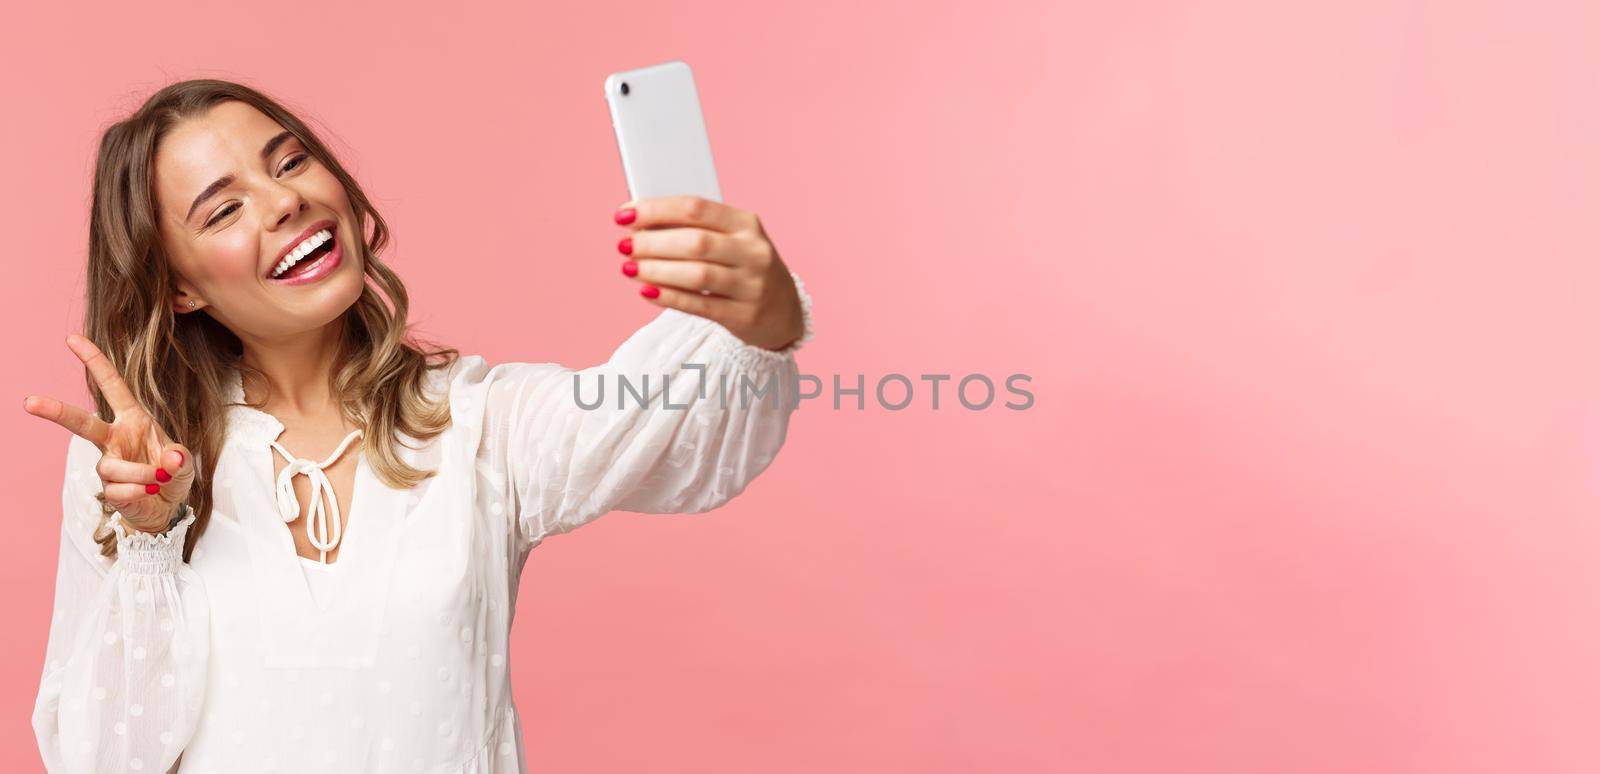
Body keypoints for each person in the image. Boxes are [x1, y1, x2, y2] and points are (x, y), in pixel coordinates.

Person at [21, 79, 813, 773]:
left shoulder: (476, 423)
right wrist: (150, 540)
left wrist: (765, 309)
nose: (284, 200)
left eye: (290, 162)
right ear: (181, 288)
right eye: (224, 209)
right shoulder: (132, 469)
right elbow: (99, 759)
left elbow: (679, 421)